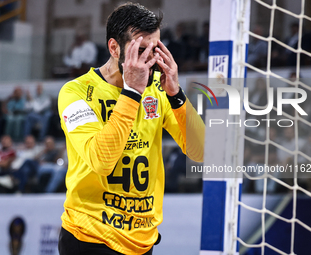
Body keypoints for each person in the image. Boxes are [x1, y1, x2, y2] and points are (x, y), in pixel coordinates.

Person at [57, 3, 205, 255]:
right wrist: (131, 92)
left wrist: (176, 95)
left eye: (156, 48)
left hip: (141, 239)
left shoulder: (158, 88)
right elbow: (102, 160)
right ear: (114, 48)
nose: (151, 59)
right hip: (90, 236)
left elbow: (202, 152)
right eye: (141, 49)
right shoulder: (76, 92)